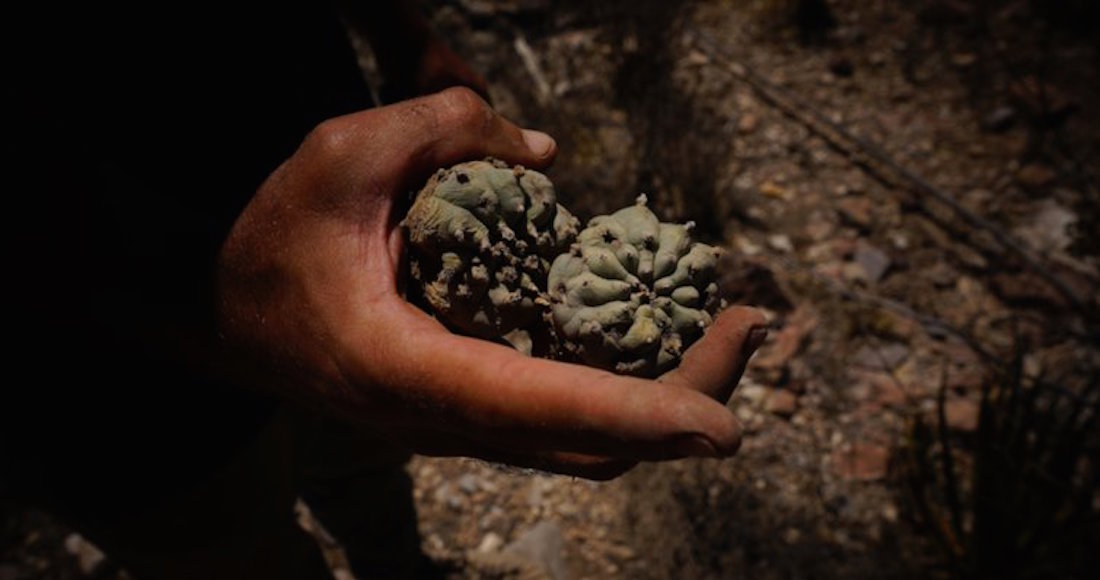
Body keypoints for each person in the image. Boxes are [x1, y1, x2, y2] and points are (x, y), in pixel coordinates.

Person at [4, 1, 767, 578]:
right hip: (101, 378)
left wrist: (401, 32)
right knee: (228, 547)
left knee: (363, 464)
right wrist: (200, 307)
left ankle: (398, 566)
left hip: (359, 251)